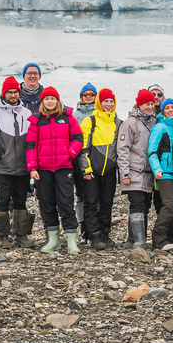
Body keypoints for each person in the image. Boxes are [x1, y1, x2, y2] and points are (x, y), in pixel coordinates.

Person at [25, 86, 84, 254]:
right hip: (43, 169)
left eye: (52, 99)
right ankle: (54, 240)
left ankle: (72, 241)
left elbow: (78, 139)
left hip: (64, 167)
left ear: (57, 101)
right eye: (46, 99)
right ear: (42, 101)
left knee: (66, 203)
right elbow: (30, 145)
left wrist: (69, 154)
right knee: (47, 204)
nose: (50, 102)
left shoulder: (68, 118)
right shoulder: (36, 120)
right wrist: (32, 167)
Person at [0, 76, 36, 248]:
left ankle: (21, 235)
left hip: (22, 167)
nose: (13, 95)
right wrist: (0, 154)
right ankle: (3, 237)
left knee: (21, 200)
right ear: (4, 93)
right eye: (9, 92)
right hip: (3, 168)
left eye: (15, 92)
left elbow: (33, 139)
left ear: (19, 93)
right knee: (2, 200)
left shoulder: (26, 113)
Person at [78, 87, 121, 250]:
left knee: (107, 203)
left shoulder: (118, 122)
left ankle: (105, 233)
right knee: (90, 202)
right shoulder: (90, 121)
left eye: (111, 101)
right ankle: (93, 235)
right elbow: (84, 149)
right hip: (92, 171)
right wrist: (86, 169)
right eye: (105, 101)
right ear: (99, 103)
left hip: (109, 171)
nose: (108, 104)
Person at [116, 89, 157, 249]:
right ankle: (139, 242)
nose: (150, 107)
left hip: (147, 174)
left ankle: (131, 240)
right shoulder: (130, 123)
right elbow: (123, 149)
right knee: (137, 204)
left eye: (152, 104)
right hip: (133, 172)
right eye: (147, 103)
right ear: (139, 104)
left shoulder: (152, 122)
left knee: (145, 206)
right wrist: (124, 173)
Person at [148, 98, 173, 249]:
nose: (170, 110)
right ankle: (158, 238)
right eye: (167, 107)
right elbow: (152, 150)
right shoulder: (159, 127)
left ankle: (172, 238)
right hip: (164, 173)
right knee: (169, 204)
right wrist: (157, 169)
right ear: (162, 110)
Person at [72, 83, 98, 239]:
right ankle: (83, 228)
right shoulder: (74, 115)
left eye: (91, 95)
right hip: (77, 162)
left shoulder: (100, 113)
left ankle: (95, 226)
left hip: (95, 160)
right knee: (81, 195)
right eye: (85, 95)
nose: (88, 97)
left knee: (95, 196)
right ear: (81, 97)